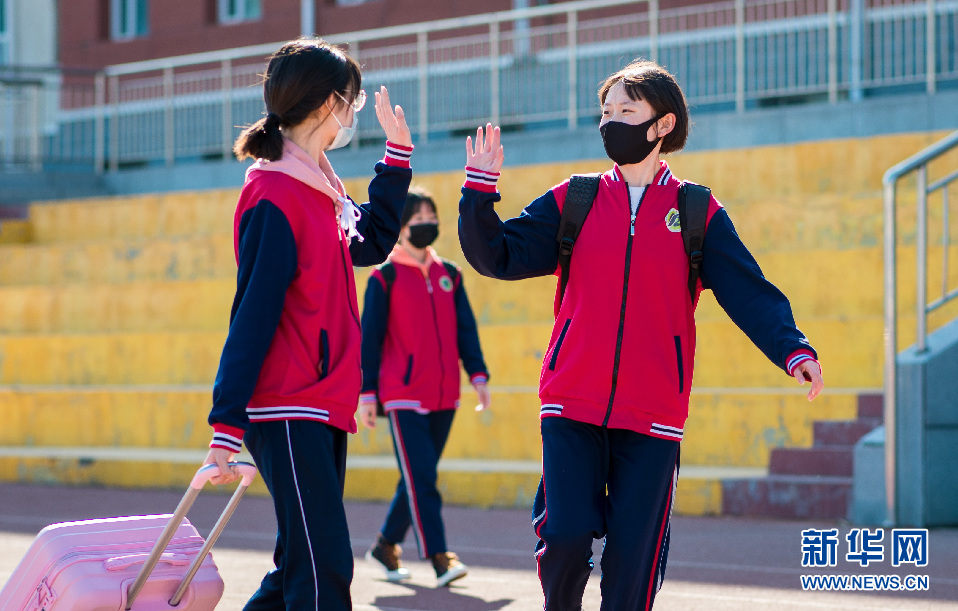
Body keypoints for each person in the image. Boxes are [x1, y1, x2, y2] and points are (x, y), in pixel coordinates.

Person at [457, 59, 824, 610]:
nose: (611, 122)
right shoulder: (573, 201)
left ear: (662, 125)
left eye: (627, 111)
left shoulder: (697, 210)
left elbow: (747, 290)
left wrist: (792, 347)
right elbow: (498, 255)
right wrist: (479, 191)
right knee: (565, 536)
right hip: (571, 404)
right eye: (606, 112)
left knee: (635, 561)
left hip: (653, 412)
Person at [201, 38, 414, 611]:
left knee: (300, 566)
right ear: (327, 105)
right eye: (354, 99)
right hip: (287, 404)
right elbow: (253, 311)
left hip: (318, 400)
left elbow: (368, 243)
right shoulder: (276, 193)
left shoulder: (320, 188)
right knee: (322, 571)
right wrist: (227, 424)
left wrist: (396, 161)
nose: (355, 111)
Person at [357, 186, 491, 587]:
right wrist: (367, 395)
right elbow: (370, 340)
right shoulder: (385, 277)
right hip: (401, 394)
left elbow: (466, 329)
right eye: (417, 220)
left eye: (431, 218)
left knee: (419, 476)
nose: (426, 225)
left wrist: (478, 375)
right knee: (423, 480)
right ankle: (439, 557)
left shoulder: (450, 274)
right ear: (400, 228)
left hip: (444, 393)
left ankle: (385, 546)